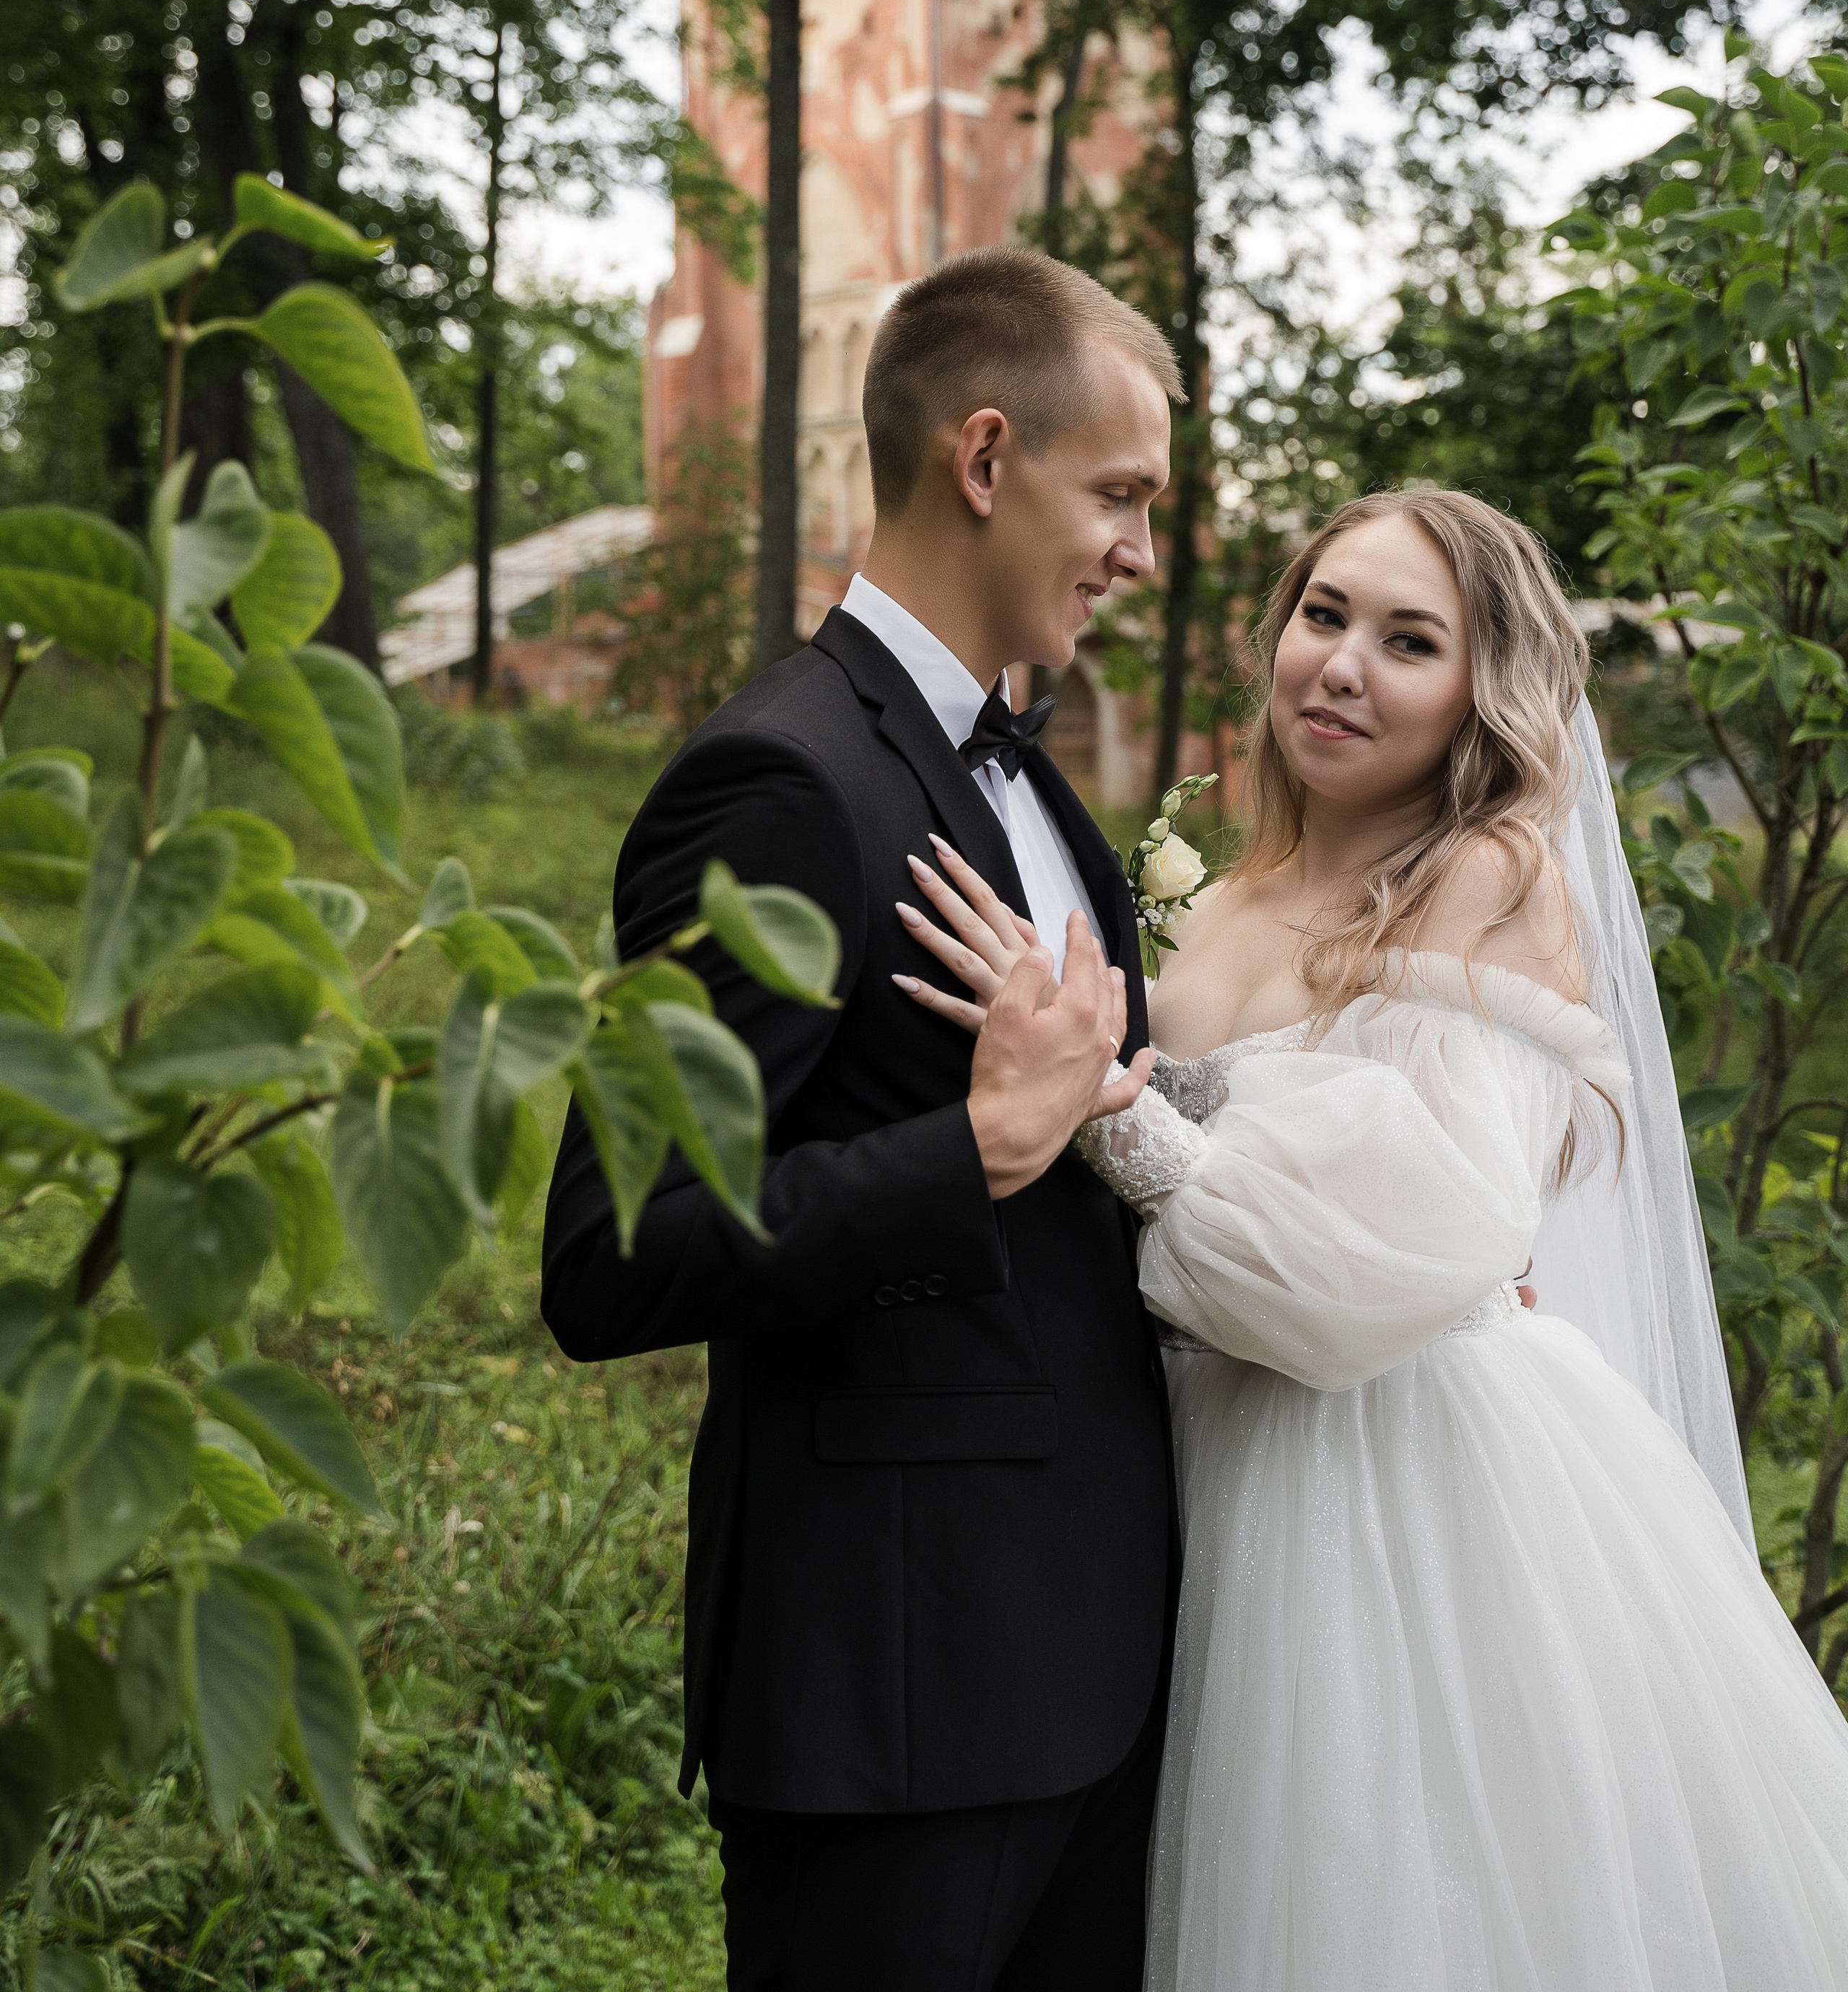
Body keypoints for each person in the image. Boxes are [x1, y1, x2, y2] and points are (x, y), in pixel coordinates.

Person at [899, 486, 1848, 1991]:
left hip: (1388, 1474)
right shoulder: (1219, 902)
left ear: (1483, 694)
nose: (1340, 664)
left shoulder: (1485, 876)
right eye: (1323, 615)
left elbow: (1412, 1247)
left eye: (1409, 641)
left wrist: (1108, 1112)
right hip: (1202, 1449)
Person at [541, 246, 1184, 1992]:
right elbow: (611, 1254)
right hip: (902, 1693)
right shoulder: (777, 780)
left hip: (1096, 1661)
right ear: (983, 460)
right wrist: (970, 1153)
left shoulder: (1027, 770)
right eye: (1117, 494)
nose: (1141, 550)